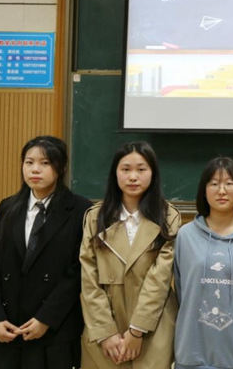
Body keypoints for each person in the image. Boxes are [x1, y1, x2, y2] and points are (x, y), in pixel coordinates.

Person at [80, 141, 180, 369]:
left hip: (153, 324)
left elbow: (160, 279)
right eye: (125, 169)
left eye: (141, 169)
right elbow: (88, 279)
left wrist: (137, 330)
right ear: (115, 173)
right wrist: (106, 332)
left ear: (153, 174)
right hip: (105, 324)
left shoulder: (168, 217)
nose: (133, 177)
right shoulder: (95, 217)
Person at [0, 135, 92, 369]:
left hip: (54, 329)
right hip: (8, 328)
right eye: (29, 162)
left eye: (45, 163)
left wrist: (46, 318)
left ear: (61, 167)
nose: (35, 169)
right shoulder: (7, 207)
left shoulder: (81, 210)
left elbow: (79, 271)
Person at [174, 156, 233, 369]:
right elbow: (182, 291)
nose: (222, 191)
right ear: (204, 190)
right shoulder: (185, 236)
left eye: (229, 183)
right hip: (192, 351)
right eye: (214, 184)